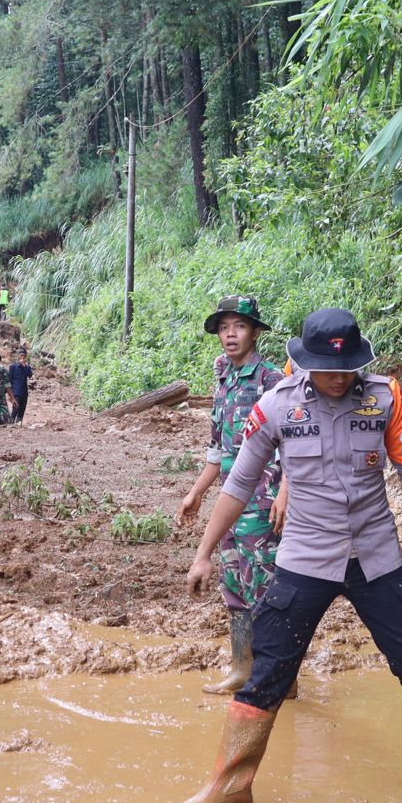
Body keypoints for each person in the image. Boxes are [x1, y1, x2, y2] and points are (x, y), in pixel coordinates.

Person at [174, 308, 402, 803]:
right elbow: (239, 484)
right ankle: (228, 787)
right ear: (304, 362)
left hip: (375, 558)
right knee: (268, 670)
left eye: (346, 368)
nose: (337, 378)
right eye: (326, 369)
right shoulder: (275, 406)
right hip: (305, 558)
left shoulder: (385, 397)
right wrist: (203, 554)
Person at [176, 296, 285, 695]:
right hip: (231, 503)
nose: (230, 335)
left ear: (255, 332)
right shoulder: (223, 380)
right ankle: (242, 669)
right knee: (236, 584)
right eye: (224, 328)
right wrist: (195, 494)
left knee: (268, 587)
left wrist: (285, 493)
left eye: (239, 326)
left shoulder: (271, 381)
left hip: (265, 500)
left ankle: (280, 678)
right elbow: (216, 449)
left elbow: (294, 444)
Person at [7, 349, 33, 425]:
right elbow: (10, 380)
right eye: (21, 355)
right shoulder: (13, 367)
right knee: (15, 408)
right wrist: (9, 394)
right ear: (18, 356)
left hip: (24, 392)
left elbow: (30, 375)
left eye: (24, 356)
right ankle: (11, 424)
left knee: (22, 409)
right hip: (16, 392)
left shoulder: (27, 367)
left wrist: (24, 366)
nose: (22, 357)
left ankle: (18, 424)